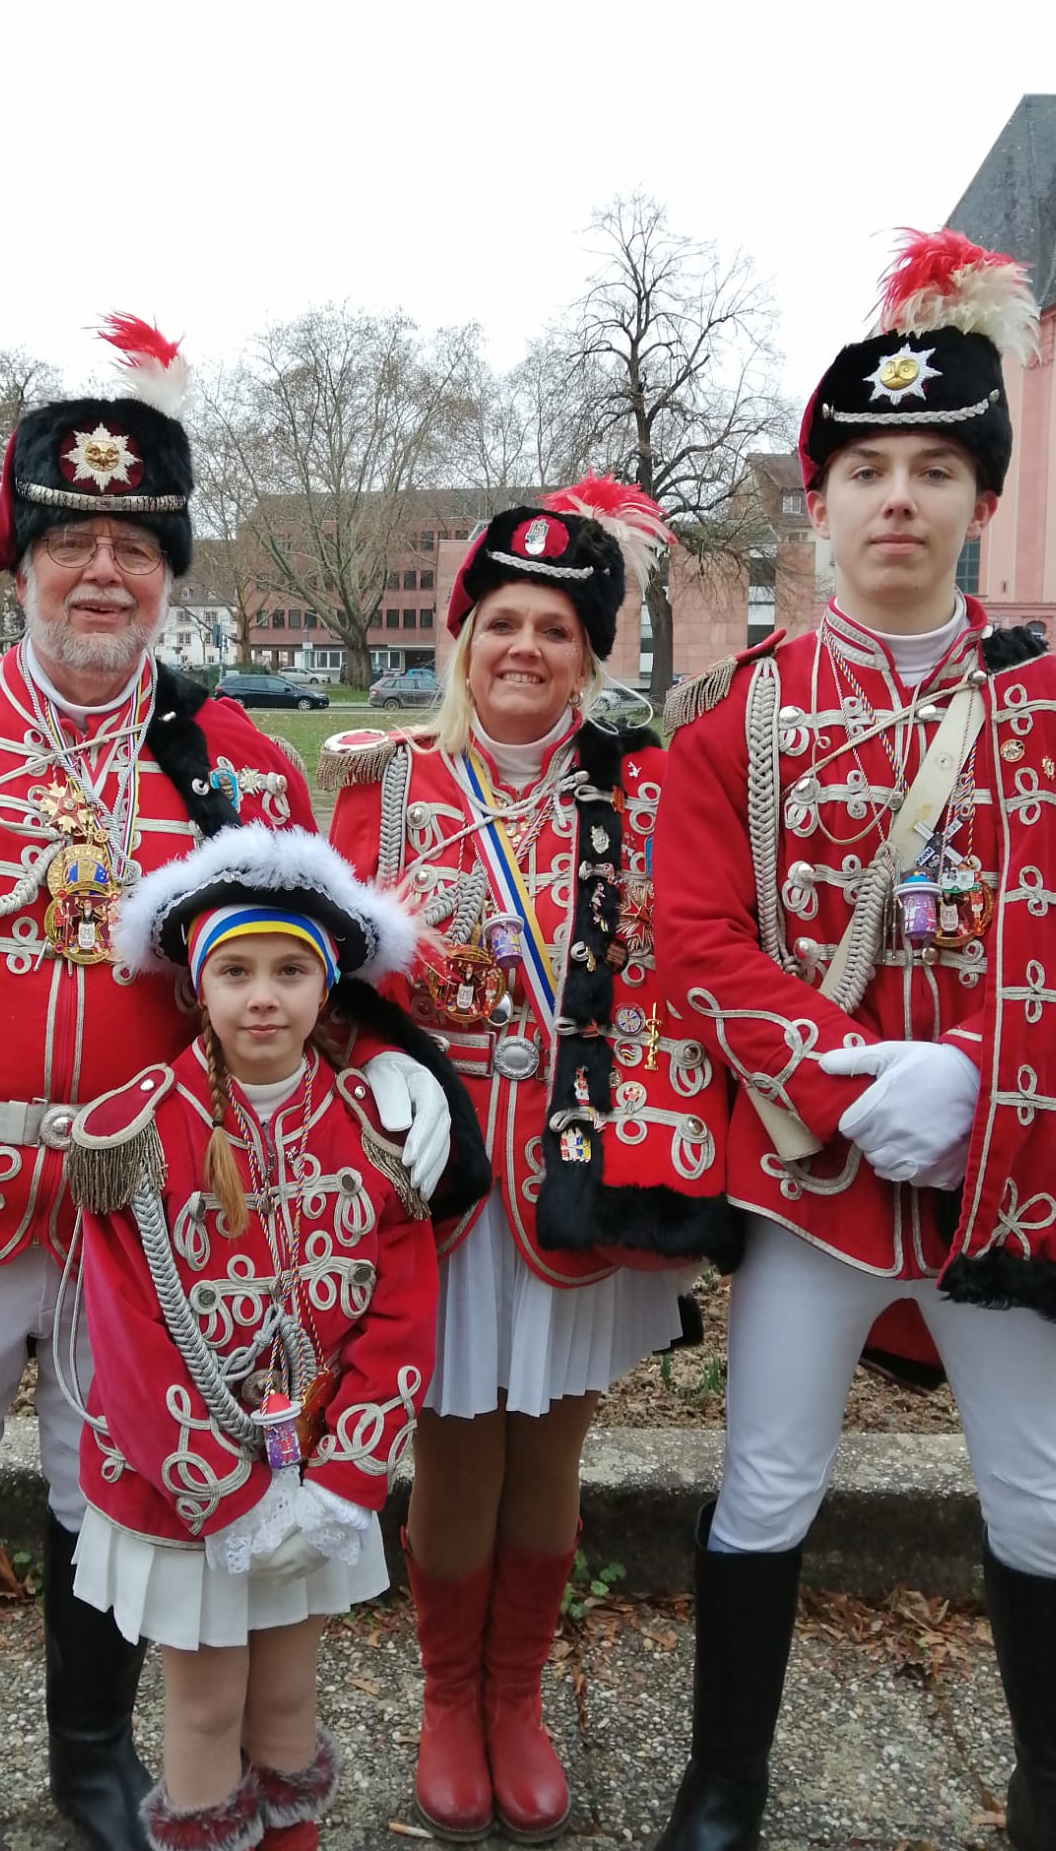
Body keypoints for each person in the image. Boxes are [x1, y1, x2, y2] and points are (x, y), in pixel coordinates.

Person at [0, 314, 457, 1851]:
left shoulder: (234, 766)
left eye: (137, 547)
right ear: (18, 557)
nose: (104, 575)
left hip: (150, 1227)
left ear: (169, 572)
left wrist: (393, 1075)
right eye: (73, 539)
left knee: (121, 1499)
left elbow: (311, 986)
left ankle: (92, 1754)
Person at [650, 230, 1056, 1851]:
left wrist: (986, 1084)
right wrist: (843, 1075)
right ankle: (722, 1782)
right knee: (768, 1478)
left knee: (1039, 1489)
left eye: (934, 467)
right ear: (818, 498)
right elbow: (694, 935)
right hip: (816, 1174)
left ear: (981, 501)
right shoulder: (749, 710)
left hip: (1010, 1180)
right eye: (864, 465)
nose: (896, 497)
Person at [325, 479, 737, 1845]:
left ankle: (519, 1697)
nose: (524, 649)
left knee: (552, 1442)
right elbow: (324, 985)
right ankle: (450, 1698)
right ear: (461, 639)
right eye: (500, 620)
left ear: (593, 653)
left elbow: (689, 967)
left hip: (577, 1170)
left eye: (556, 629)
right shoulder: (386, 791)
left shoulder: (647, 792)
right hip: (436, 1181)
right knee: (451, 1445)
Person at [62, 824, 445, 1851]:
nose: (262, 996)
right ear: (198, 987)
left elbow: (402, 1317)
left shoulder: (371, 1128)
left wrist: (342, 1482)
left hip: (318, 1481)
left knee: (286, 1703)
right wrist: (229, 1500)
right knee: (201, 1709)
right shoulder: (136, 1134)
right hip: (187, 1492)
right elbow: (132, 1350)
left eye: (289, 970)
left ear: (328, 992)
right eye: (234, 969)